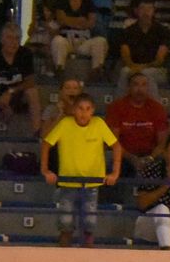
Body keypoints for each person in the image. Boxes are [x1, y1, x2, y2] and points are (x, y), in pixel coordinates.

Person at [40, 92, 121, 248]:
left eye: (87, 109)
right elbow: (46, 143)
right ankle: (64, 253)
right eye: (80, 108)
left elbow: (116, 146)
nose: (83, 113)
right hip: (68, 183)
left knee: (89, 223)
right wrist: (45, 170)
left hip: (92, 184)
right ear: (74, 109)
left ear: (93, 110)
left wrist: (115, 173)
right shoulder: (65, 123)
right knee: (65, 222)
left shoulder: (99, 124)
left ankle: (87, 253)